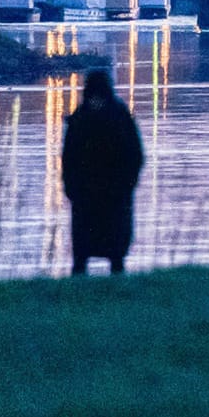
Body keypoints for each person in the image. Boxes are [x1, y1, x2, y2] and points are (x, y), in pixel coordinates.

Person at [61, 69, 144, 275]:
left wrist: (71, 187)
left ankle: (77, 291)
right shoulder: (120, 116)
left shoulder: (80, 118)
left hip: (86, 196)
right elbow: (135, 154)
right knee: (116, 252)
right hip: (115, 194)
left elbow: (68, 158)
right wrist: (128, 183)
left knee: (82, 253)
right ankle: (118, 288)